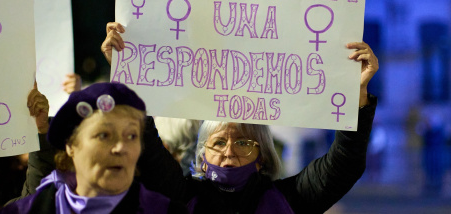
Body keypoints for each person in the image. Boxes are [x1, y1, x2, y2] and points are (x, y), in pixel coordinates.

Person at [101, 22, 379, 213]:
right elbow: (145, 148)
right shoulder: (181, 198)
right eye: (218, 143)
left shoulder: (290, 199)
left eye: (244, 143)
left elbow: (345, 164)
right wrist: (126, 74)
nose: (229, 152)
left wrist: (357, 96)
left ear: (263, 158)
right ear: (202, 157)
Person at [0, 82, 187, 213]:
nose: (120, 147)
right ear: (71, 146)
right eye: (104, 136)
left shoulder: (163, 208)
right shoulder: (24, 210)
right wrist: (40, 132)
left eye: (131, 136)